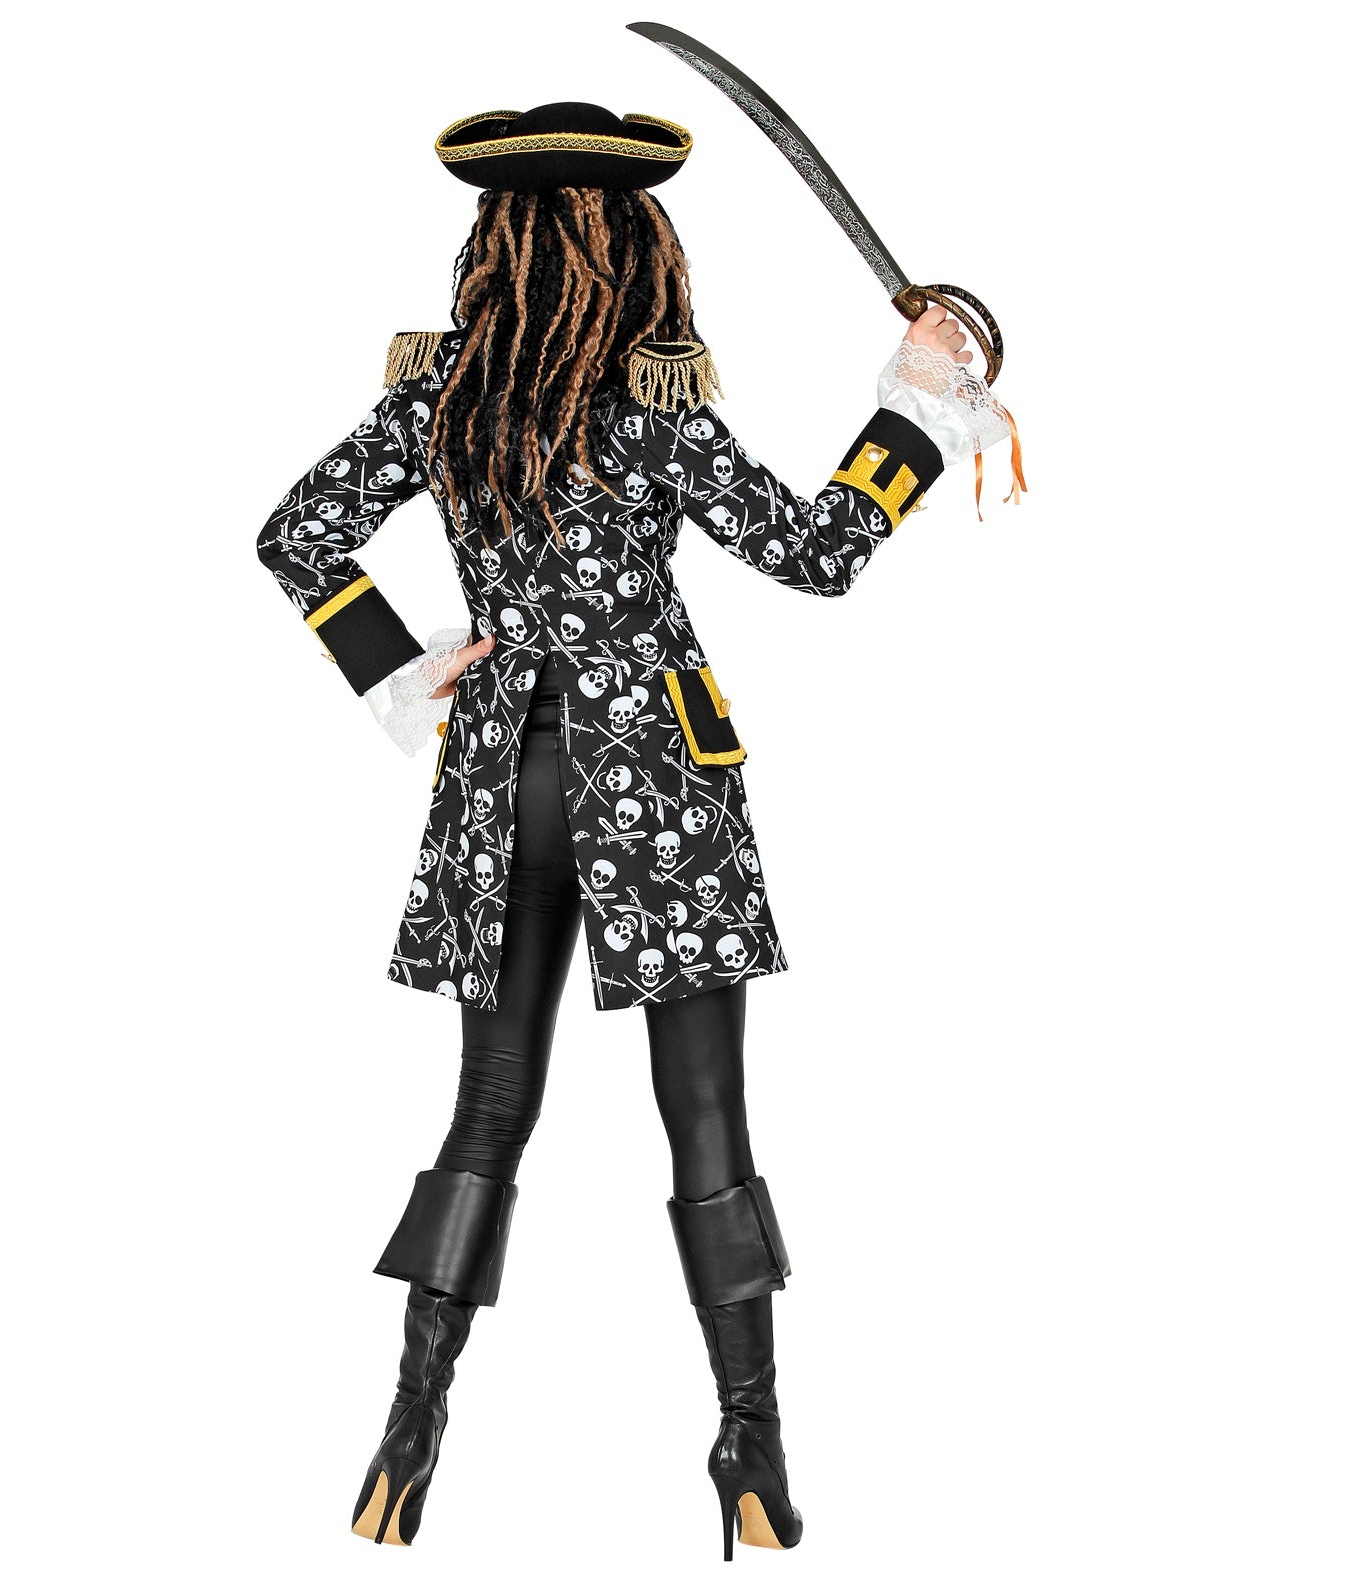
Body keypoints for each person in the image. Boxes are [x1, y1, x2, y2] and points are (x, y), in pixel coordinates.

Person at [257, 100, 1013, 1558]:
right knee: (709, 1116)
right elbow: (816, 552)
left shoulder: (441, 401)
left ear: (495, 246)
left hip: (500, 781)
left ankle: (407, 1438)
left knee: (487, 1111)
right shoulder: (649, 409)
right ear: (633, 246)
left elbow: (295, 535)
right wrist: (917, 400)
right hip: (655, 778)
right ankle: (751, 1451)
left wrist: (403, 671)